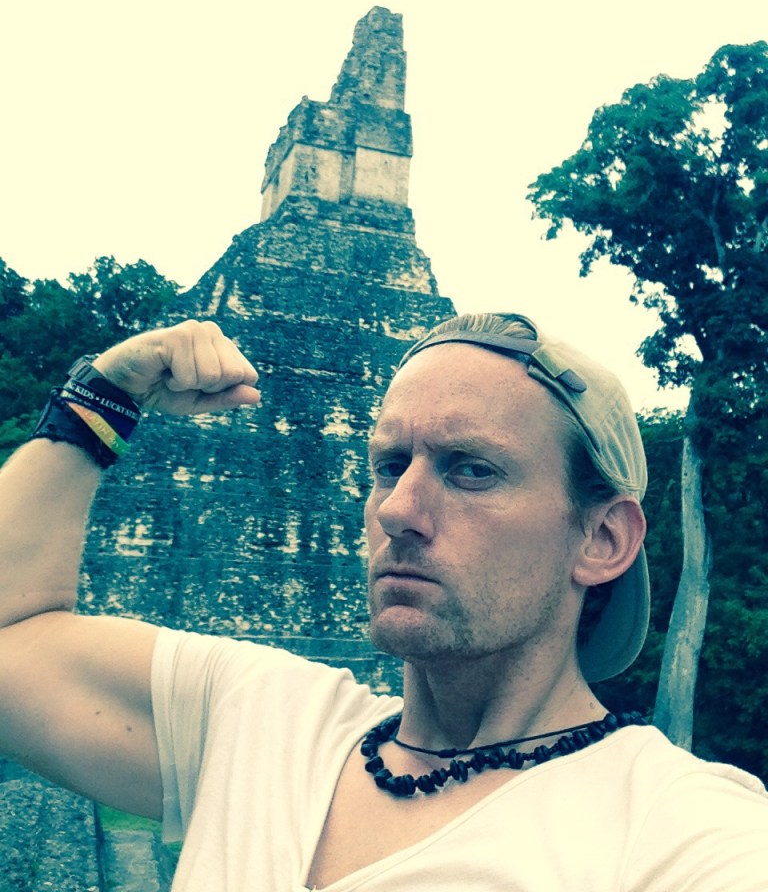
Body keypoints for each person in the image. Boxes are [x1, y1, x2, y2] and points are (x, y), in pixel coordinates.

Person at [0, 313, 766, 891]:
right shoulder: (257, 721)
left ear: (601, 539)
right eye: (390, 465)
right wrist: (99, 400)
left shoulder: (681, 831)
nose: (397, 509)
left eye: (471, 470)